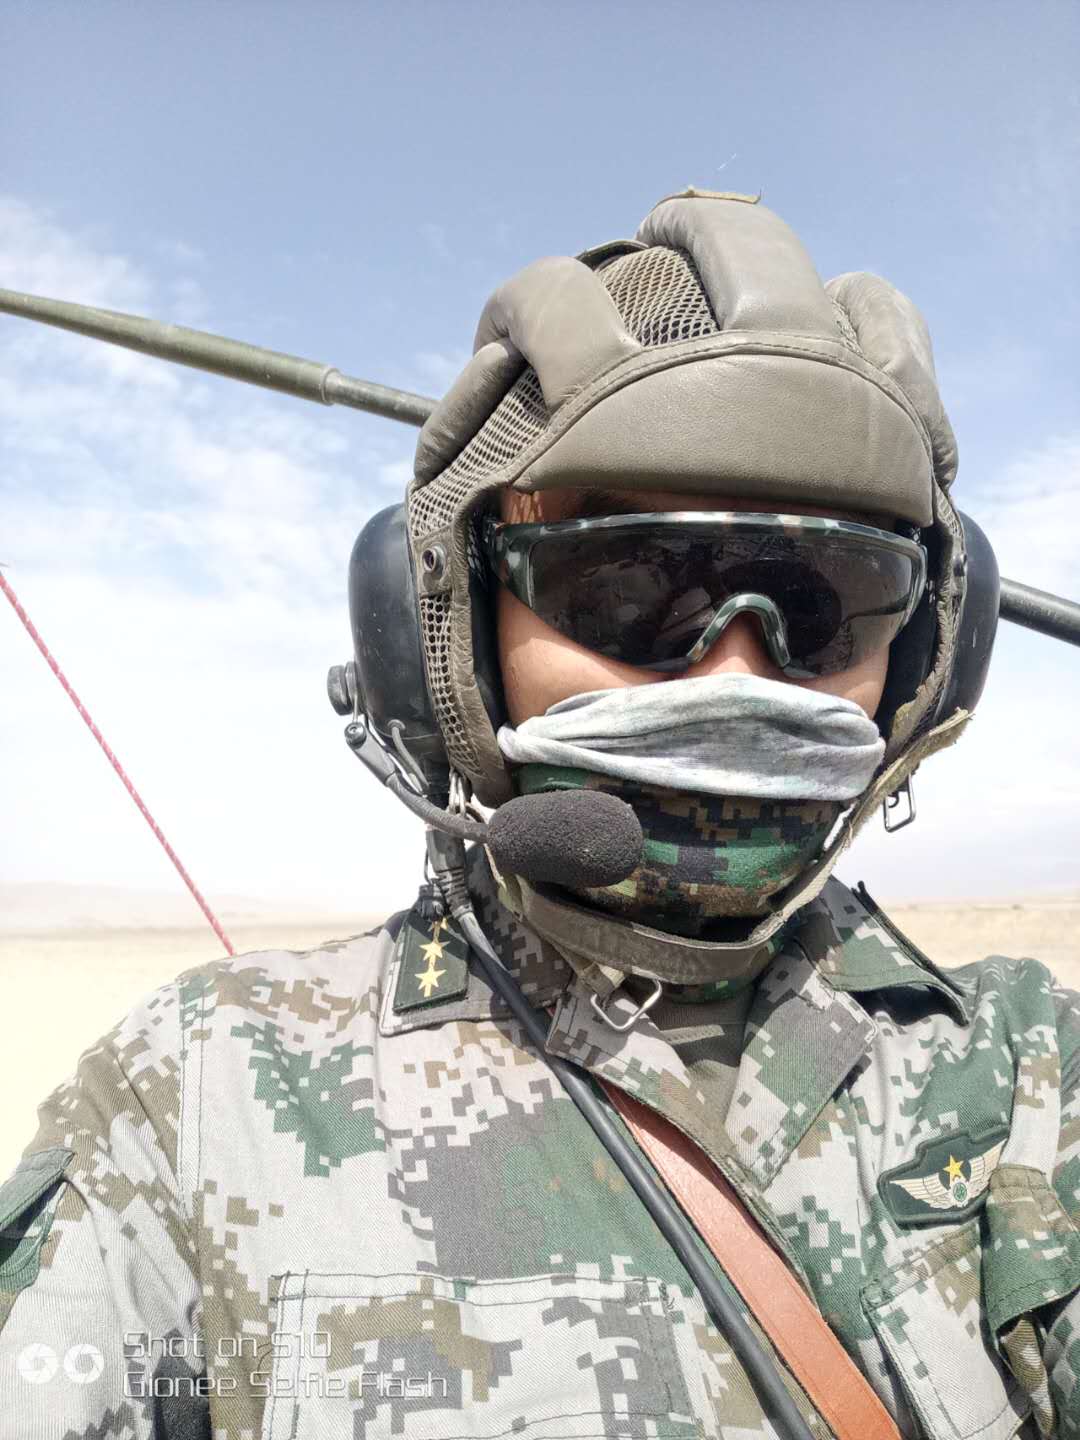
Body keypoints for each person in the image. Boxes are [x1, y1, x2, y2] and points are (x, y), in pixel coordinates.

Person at [2, 188, 1077, 1440]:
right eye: (627, 585)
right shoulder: (202, 1095)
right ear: (444, 647)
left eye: (824, 596)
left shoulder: (1023, 1065)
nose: (741, 673)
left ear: (924, 663)